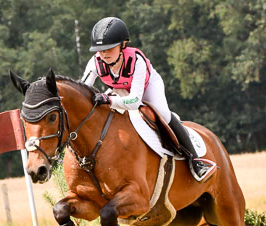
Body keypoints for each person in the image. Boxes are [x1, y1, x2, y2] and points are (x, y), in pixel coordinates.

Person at [81, 16, 217, 182]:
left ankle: (195, 161)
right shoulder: (95, 62)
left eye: (109, 48)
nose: (104, 54)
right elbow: (83, 88)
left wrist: (108, 100)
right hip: (120, 89)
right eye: (100, 50)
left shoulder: (136, 61)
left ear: (123, 45)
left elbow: (135, 102)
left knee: (163, 114)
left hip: (146, 87)